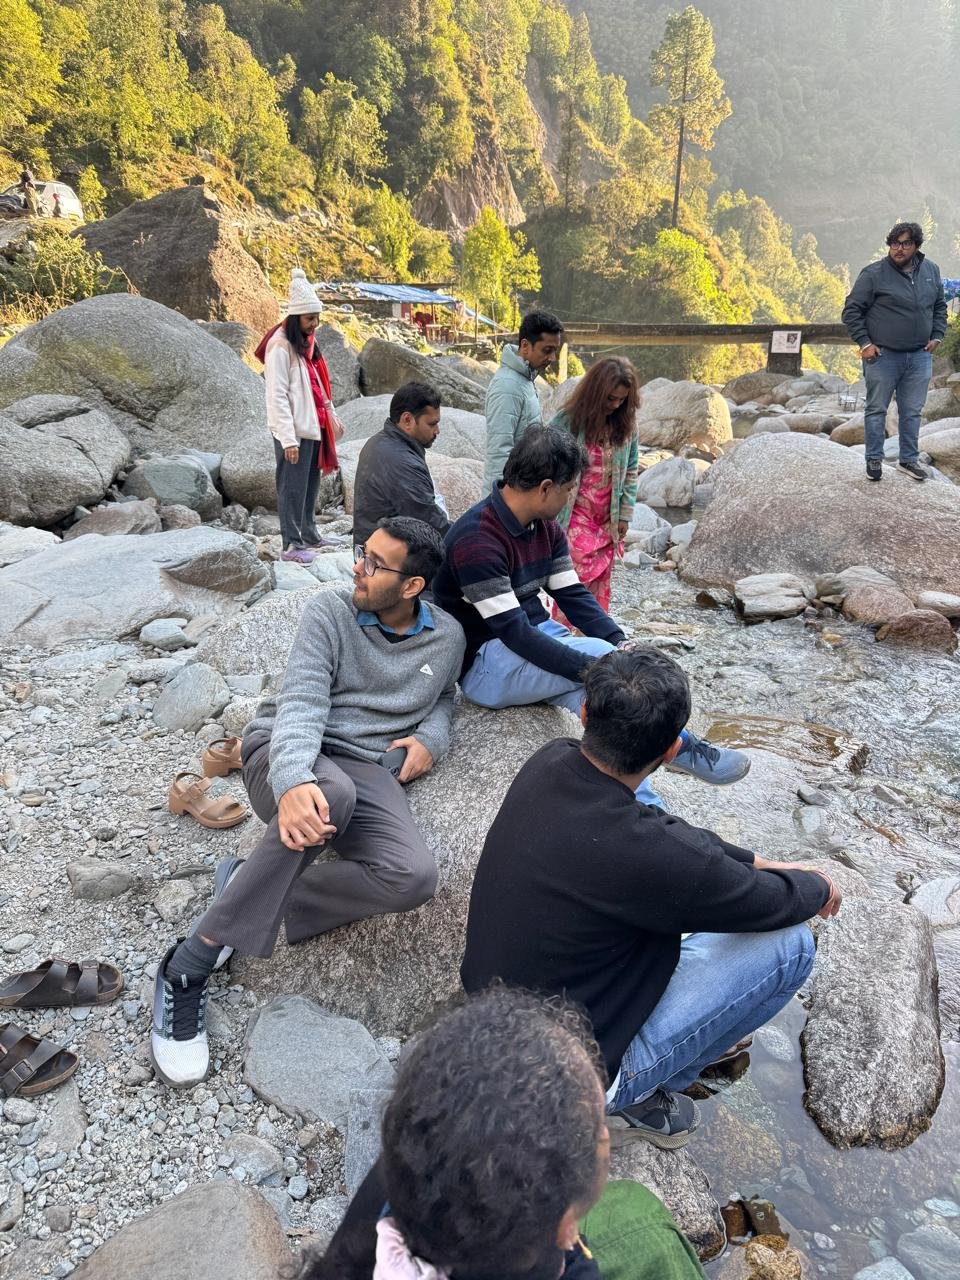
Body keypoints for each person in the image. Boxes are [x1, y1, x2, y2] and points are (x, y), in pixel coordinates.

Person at [461, 648, 842, 1150]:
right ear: (672, 749)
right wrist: (820, 884)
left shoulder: (551, 760)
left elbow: (671, 836)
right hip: (565, 1082)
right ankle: (641, 1097)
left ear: (584, 713)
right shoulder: (654, 857)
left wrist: (756, 860)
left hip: (488, 1027)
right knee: (790, 945)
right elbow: (777, 901)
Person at [150, 517, 466, 1087]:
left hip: (362, 767)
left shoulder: (447, 637)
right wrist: (295, 779)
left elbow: (446, 696)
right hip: (284, 750)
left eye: (375, 564)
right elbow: (300, 704)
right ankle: (188, 965)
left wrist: (431, 739)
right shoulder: (330, 612)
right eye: (362, 553)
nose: (358, 568)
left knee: (412, 877)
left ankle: (246, 886)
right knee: (330, 796)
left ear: (413, 585)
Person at [432, 426, 750, 805]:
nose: (572, 496)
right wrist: (604, 668)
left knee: (609, 700)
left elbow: (572, 594)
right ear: (545, 488)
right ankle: (676, 747)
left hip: (534, 640)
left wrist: (620, 642)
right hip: (486, 664)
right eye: (569, 489)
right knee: (613, 677)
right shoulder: (477, 540)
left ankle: (643, 800)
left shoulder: (544, 528)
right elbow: (515, 632)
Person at [303, 986, 706, 1280]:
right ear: (566, 1228)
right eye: (598, 1130)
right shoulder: (557, 1260)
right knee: (647, 1228)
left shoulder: (420, 1152)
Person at [841, 220, 948, 483]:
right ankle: (874, 459)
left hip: (920, 356)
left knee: (912, 411)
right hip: (883, 356)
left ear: (916, 246)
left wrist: (937, 335)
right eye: (894, 243)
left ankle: (908, 460)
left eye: (905, 243)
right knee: (876, 409)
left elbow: (939, 306)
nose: (898, 249)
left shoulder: (931, 270)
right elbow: (851, 311)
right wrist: (865, 343)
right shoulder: (873, 273)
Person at [255, 268, 344, 565]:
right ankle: (291, 544)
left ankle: (309, 533)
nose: (314, 324)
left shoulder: (306, 343)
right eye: (309, 319)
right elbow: (276, 395)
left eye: (317, 318)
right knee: (291, 487)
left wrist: (331, 415)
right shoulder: (280, 346)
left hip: (313, 425)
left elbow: (318, 384)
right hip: (293, 429)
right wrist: (288, 439)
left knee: (309, 485)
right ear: (295, 318)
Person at [550, 356, 640, 618]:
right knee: (570, 582)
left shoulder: (627, 425)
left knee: (598, 589)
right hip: (573, 515)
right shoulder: (567, 421)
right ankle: (561, 636)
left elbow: (631, 470)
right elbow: (545, 461)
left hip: (607, 519)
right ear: (595, 392)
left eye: (622, 400)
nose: (615, 405)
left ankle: (593, 638)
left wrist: (624, 515)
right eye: (610, 398)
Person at [352, 381, 449, 549]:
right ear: (407, 420)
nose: (437, 431)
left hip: (372, 549)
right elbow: (432, 525)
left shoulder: (380, 441)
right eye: (432, 424)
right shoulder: (402, 463)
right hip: (385, 558)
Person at [483, 309, 563, 493]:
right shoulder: (507, 386)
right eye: (547, 350)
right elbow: (499, 452)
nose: (552, 358)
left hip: (523, 493)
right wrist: (501, 503)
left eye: (555, 351)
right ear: (525, 346)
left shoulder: (524, 379)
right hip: (510, 498)